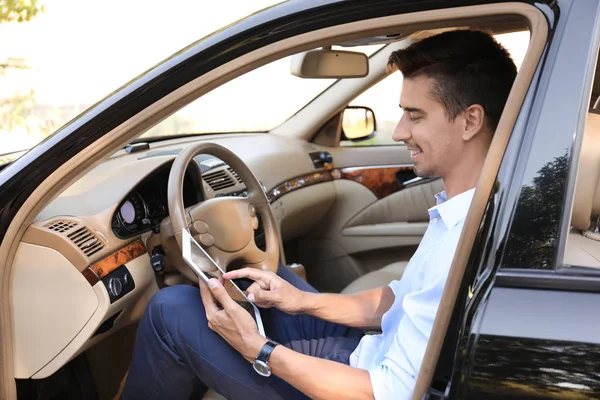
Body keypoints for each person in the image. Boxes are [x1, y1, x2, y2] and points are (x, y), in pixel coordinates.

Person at [119, 29, 517, 400]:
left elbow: (387, 392)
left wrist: (258, 349)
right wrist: (300, 302)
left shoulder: (465, 238)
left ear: (470, 121)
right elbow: (401, 299)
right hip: (370, 351)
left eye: (415, 116)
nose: (398, 132)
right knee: (274, 278)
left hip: (359, 385)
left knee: (168, 313)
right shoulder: (469, 208)